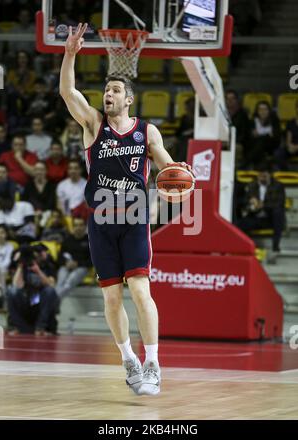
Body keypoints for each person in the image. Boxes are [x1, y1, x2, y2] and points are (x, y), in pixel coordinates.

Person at [60, 23, 192, 396]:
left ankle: (153, 362)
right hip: (100, 222)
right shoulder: (93, 126)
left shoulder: (146, 132)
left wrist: (181, 176)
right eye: (106, 90)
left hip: (134, 219)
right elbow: (68, 91)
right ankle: (128, 359)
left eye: (115, 90)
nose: (108, 95)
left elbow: (167, 167)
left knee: (139, 289)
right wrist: (70, 53)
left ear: (129, 98)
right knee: (112, 297)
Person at [7, 244, 58, 335]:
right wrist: (20, 267)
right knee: (11, 291)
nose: (34, 259)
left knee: (50, 291)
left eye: (36, 256)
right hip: (25, 299)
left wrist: (38, 271)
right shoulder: (23, 266)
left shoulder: (48, 266)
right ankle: (19, 327)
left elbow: (51, 285)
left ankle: (40, 327)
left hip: (39, 299)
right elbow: (16, 286)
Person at [236, 164, 285, 253]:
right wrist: (250, 203)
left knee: (278, 213)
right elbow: (244, 202)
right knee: (238, 223)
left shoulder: (278, 186)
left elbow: (279, 203)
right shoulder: (252, 185)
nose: (262, 178)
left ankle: (275, 247)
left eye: (265, 176)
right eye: (260, 176)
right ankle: (243, 248)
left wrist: (262, 205)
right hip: (256, 216)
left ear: (270, 175)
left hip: (270, 218)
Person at [55, 217, 92, 299]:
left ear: (85, 227)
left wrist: (78, 263)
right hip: (66, 265)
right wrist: (66, 263)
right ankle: (53, 305)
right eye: (76, 225)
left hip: (82, 268)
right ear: (73, 227)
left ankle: (53, 301)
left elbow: (92, 261)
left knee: (69, 282)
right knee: (60, 282)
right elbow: (59, 257)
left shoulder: (90, 241)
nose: (78, 227)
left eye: (81, 225)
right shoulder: (67, 240)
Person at [246, 101, 281, 168]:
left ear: (269, 111)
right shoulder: (252, 121)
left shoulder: (274, 120)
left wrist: (262, 135)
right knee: (260, 143)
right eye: (260, 109)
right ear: (257, 111)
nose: (263, 111)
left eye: (265, 109)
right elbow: (249, 137)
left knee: (263, 139)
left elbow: (277, 138)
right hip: (256, 146)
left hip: (271, 146)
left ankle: (246, 163)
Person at [0, 224, 14, 308]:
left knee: (2, 271)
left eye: (2, 233)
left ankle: (2, 297)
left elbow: (8, 261)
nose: (0, 235)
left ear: (6, 234)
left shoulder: (10, 246)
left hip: (4, 270)